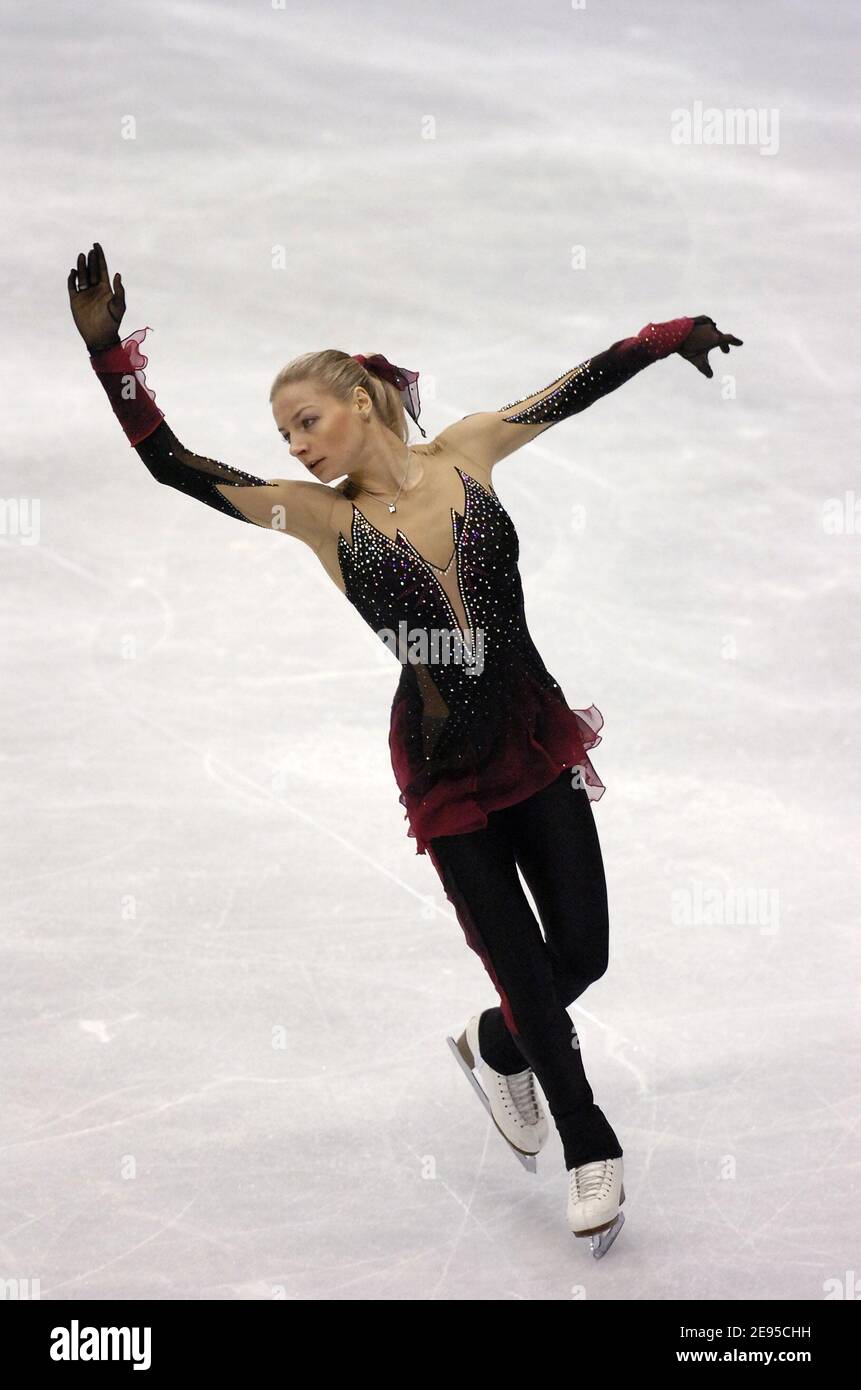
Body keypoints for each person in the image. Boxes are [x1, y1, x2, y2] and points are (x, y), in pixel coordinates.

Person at [68, 241, 742, 1246]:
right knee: (524, 969)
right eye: (284, 431)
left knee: (582, 952)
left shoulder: (467, 447)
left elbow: (572, 389)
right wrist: (109, 357)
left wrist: (664, 337)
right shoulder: (316, 520)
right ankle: (589, 1144)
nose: (294, 446)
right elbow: (177, 468)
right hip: (442, 769)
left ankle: (494, 1045)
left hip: (528, 729)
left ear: (364, 403)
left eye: (308, 420)